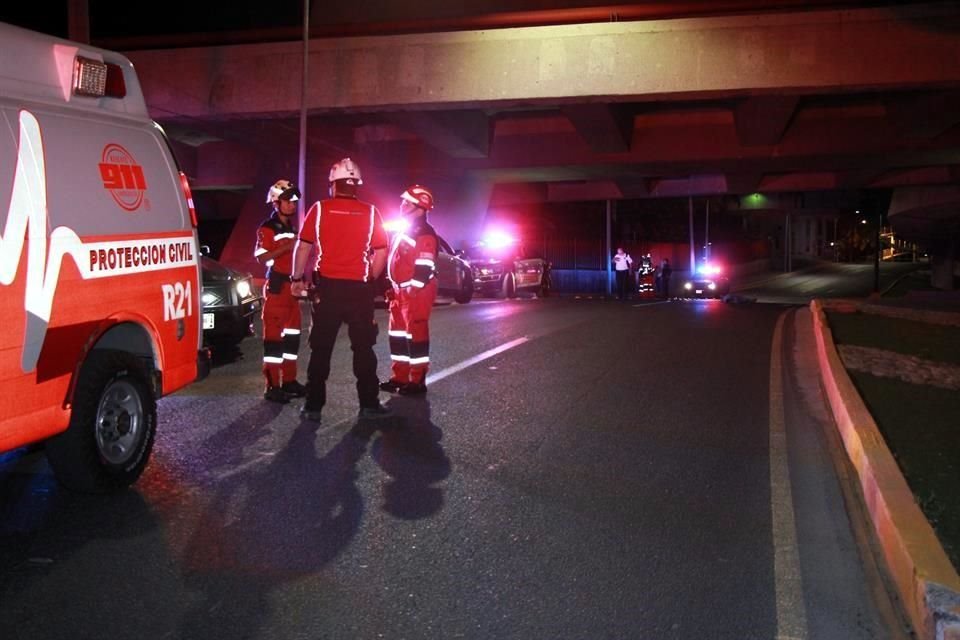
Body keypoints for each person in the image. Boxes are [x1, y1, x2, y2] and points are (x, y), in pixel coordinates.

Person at [289, 158, 391, 423]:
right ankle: (369, 403)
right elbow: (381, 250)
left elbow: (303, 246)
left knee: (321, 348)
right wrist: (371, 278)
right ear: (356, 185)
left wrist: (297, 277)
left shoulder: (320, 209)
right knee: (364, 348)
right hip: (360, 290)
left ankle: (313, 406)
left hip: (329, 289)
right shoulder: (371, 212)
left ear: (332, 185)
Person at [380, 185, 439, 396]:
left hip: (416, 291)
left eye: (407, 202)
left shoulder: (424, 232)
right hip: (400, 292)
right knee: (397, 335)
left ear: (421, 208)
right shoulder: (407, 229)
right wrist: (392, 285)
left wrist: (413, 288)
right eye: (403, 201)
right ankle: (400, 377)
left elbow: (425, 264)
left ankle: (417, 381)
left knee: (416, 334)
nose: (402, 205)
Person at [255, 179, 307, 403]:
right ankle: (273, 386)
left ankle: (289, 381)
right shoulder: (267, 228)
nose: (293, 204)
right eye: (288, 200)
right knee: (274, 340)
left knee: (292, 338)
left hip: (292, 288)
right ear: (276, 202)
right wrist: (289, 246)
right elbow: (261, 257)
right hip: (277, 289)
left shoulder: (293, 228)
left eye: (295, 200)